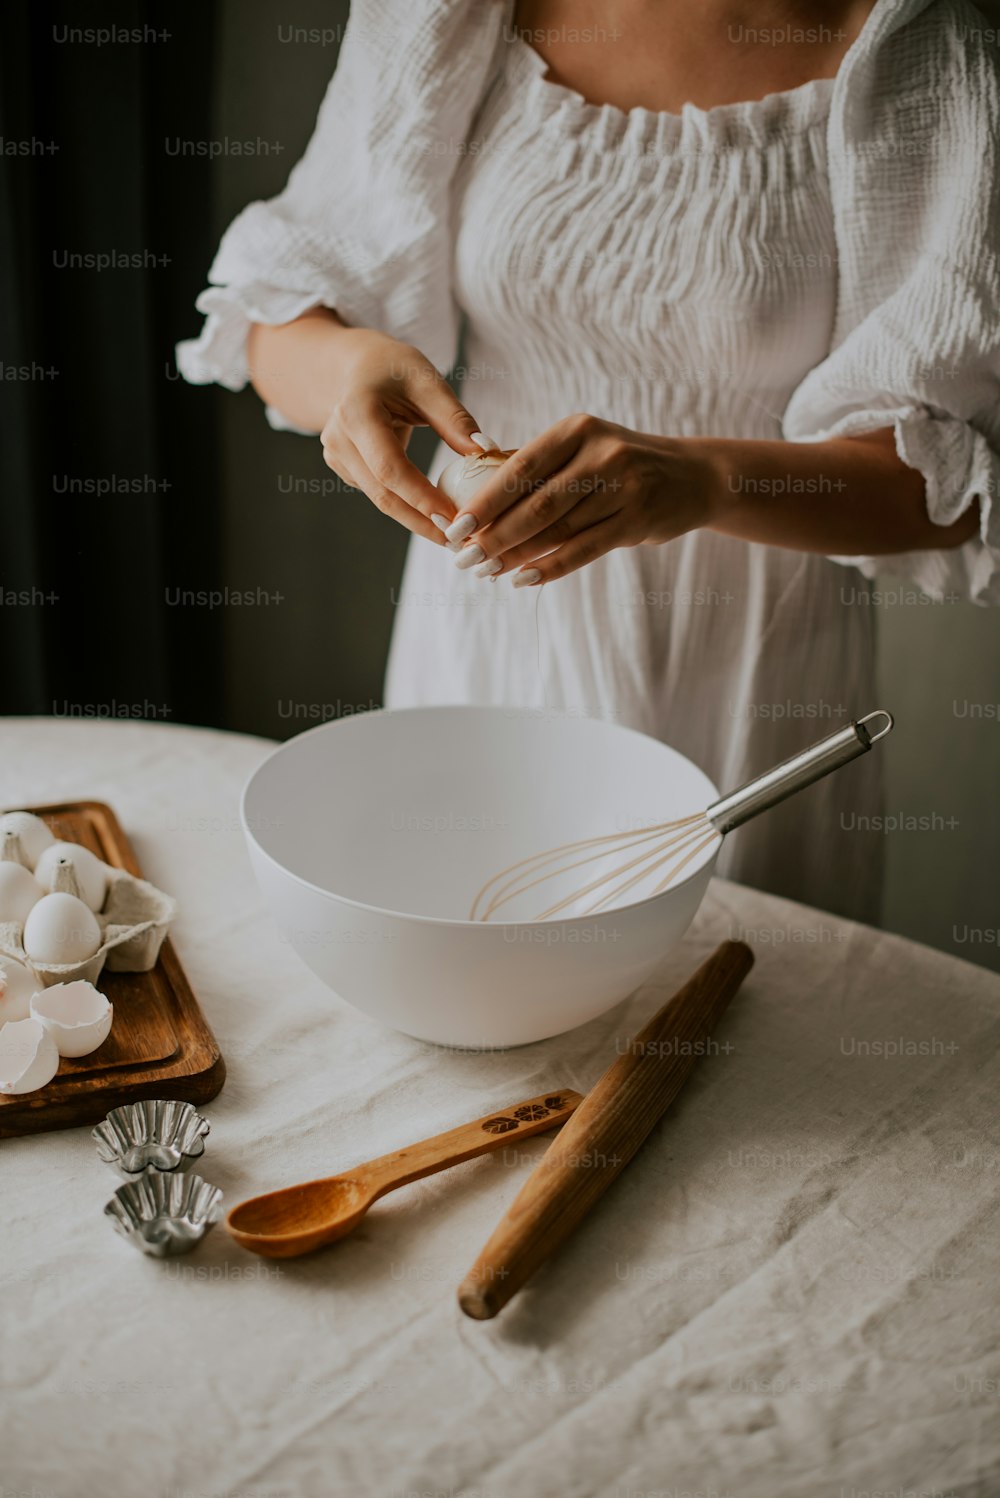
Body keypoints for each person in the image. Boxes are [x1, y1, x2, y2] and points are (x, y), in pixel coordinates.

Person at [179, 0, 1000, 923]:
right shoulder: (451, 11)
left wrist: (702, 480)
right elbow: (273, 320)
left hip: (751, 680)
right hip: (485, 642)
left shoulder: (922, 44)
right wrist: (348, 368)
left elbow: (946, 488)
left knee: (733, 1024)